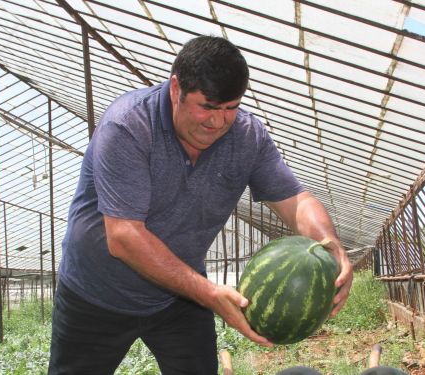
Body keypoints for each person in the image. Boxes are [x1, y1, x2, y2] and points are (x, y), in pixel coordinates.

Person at [47, 35, 353, 374]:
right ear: (176, 89)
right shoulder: (129, 125)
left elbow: (296, 201)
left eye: (230, 108)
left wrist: (331, 245)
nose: (217, 121)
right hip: (96, 295)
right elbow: (123, 236)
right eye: (206, 106)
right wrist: (208, 293)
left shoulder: (247, 136)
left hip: (179, 296)